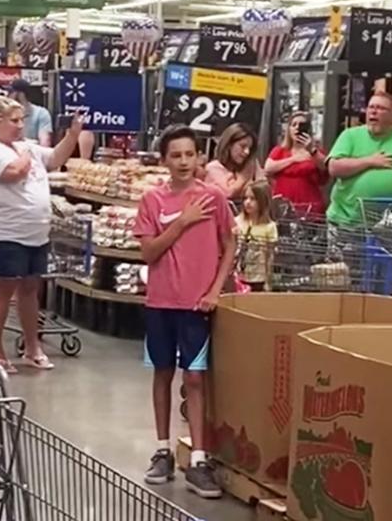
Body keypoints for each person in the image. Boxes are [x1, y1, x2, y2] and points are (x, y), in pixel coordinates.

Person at [136, 125, 235, 500]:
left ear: (199, 157)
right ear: (164, 160)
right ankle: (162, 449)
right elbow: (148, 253)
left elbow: (229, 244)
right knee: (162, 373)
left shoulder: (214, 198)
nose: (182, 162)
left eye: (189, 155)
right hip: (160, 303)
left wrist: (215, 289)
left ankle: (198, 457)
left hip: (197, 306)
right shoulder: (152, 201)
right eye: (175, 155)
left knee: (195, 378)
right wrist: (181, 222)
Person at [0, 96, 83, 372]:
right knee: (5, 288)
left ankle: (33, 346)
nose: (21, 126)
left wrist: (72, 135)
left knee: (31, 288)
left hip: (36, 233)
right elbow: (14, 173)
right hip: (5, 232)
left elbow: (56, 158)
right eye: (14, 120)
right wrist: (26, 154)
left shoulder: (26, 147)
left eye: (22, 120)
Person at [326, 92, 392, 226]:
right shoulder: (350, 135)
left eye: (380, 108)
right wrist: (369, 161)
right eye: (371, 107)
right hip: (347, 222)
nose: (374, 112)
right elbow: (334, 168)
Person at [264, 112, 327, 216]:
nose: (297, 128)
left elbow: (325, 167)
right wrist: (293, 159)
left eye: (302, 125)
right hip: (284, 207)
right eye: (294, 125)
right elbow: (268, 168)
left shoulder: (316, 152)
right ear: (289, 129)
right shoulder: (280, 150)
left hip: (310, 207)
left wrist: (311, 150)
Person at [204, 123, 264, 201]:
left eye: (249, 148)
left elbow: (263, 189)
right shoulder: (213, 168)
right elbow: (227, 194)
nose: (247, 152)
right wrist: (243, 178)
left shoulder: (251, 164)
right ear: (229, 144)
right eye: (242, 146)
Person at [235, 181, 278, 291]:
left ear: (262, 201)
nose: (248, 202)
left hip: (258, 278)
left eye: (253, 199)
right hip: (238, 276)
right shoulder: (237, 222)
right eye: (245, 198)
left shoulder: (270, 227)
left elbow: (270, 256)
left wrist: (268, 282)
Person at [8, 79, 53, 145]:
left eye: (10, 92)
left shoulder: (41, 113)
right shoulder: (4, 114)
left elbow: (45, 143)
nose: (8, 96)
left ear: (20, 95)